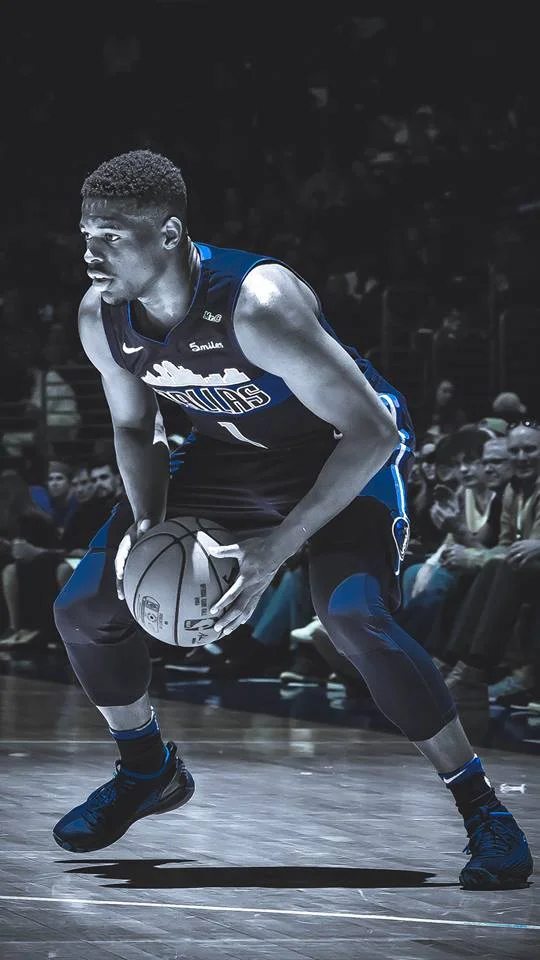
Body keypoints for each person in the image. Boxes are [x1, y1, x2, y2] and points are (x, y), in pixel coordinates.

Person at [52, 149, 532, 890]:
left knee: (354, 617)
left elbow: (375, 433)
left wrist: (273, 552)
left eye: (110, 237)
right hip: (227, 460)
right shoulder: (101, 316)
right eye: (87, 234)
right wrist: (148, 523)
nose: (90, 253)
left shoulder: (258, 305)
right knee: (84, 605)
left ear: (169, 234)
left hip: (339, 453)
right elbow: (133, 426)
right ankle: (146, 769)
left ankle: (484, 811)